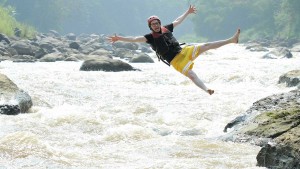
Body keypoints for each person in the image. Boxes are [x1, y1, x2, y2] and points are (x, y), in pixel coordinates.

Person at [107, 5, 240, 95]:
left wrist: (187, 12)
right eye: (153, 24)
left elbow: (177, 21)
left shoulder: (166, 28)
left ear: (159, 23)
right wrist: (119, 38)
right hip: (176, 61)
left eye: (157, 23)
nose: (156, 25)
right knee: (192, 75)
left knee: (206, 46)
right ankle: (207, 89)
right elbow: (135, 39)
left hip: (183, 51)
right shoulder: (150, 38)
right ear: (150, 27)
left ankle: (232, 40)